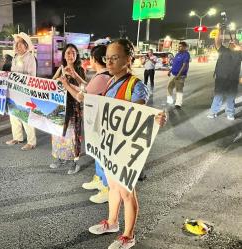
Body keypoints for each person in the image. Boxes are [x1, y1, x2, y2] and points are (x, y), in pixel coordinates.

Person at [87, 39, 166, 249]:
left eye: (115, 57)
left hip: (126, 149)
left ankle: (128, 235)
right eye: (107, 58)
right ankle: (112, 223)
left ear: (128, 59)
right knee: (113, 186)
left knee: (127, 192)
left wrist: (154, 119)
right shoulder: (110, 81)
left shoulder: (135, 85)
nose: (110, 62)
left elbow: (139, 115)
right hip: (110, 145)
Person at [59, 45, 111, 201]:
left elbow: (81, 96)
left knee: (101, 153)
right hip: (98, 118)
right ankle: (99, 179)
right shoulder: (101, 75)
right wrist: (73, 77)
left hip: (100, 119)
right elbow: (87, 87)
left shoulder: (102, 77)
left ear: (95, 59)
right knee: (97, 151)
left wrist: (67, 84)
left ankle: (106, 187)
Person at [50, 43, 85, 175]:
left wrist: (73, 76)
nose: (71, 55)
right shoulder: (60, 69)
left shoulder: (79, 70)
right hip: (59, 107)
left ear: (77, 55)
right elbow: (51, 84)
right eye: (68, 53)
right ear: (64, 55)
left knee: (73, 135)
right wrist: (57, 78)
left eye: (73, 53)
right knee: (58, 133)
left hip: (73, 107)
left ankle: (74, 162)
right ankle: (60, 158)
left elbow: (84, 87)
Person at [5, 32, 37, 151]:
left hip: (24, 92)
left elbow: (31, 76)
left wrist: (17, 77)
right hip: (14, 91)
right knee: (13, 115)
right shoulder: (15, 57)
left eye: (20, 44)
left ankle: (31, 142)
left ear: (26, 46)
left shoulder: (30, 58)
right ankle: (17, 137)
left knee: (25, 116)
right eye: (16, 44)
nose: (17, 46)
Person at [207, 27, 242, 120]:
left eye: (234, 42)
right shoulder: (223, 50)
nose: (232, 43)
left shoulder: (240, 53)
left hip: (233, 79)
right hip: (221, 78)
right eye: (231, 42)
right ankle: (213, 112)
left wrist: (239, 47)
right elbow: (217, 41)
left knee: (231, 97)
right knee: (218, 96)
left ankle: (230, 113)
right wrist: (219, 30)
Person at [167, 41, 190, 109]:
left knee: (179, 90)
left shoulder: (186, 55)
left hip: (180, 76)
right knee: (169, 87)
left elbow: (184, 66)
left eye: (180, 46)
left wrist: (178, 75)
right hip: (173, 74)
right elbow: (174, 64)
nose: (178, 48)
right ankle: (170, 100)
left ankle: (178, 103)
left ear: (184, 47)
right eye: (178, 46)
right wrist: (170, 71)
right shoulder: (177, 54)